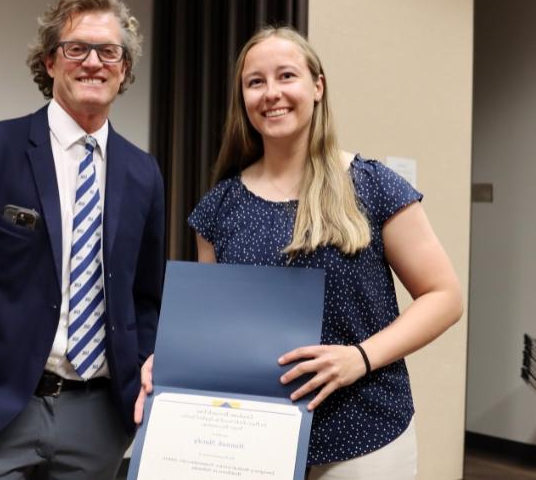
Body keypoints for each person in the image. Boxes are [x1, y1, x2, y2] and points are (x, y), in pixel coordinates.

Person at [137, 26, 462, 479]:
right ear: (243, 99)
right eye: (255, 82)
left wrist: (359, 357)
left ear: (317, 86)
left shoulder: (373, 186)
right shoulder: (218, 209)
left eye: (286, 76)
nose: (272, 93)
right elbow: (211, 332)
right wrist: (169, 362)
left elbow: (444, 296)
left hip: (363, 432)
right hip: (255, 441)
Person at [0, 0, 164, 479]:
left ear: (124, 69)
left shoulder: (144, 174)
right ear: (51, 62)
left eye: (109, 51)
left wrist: (136, 390)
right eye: (77, 48)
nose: (93, 62)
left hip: (98, 421)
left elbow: (147, 297)